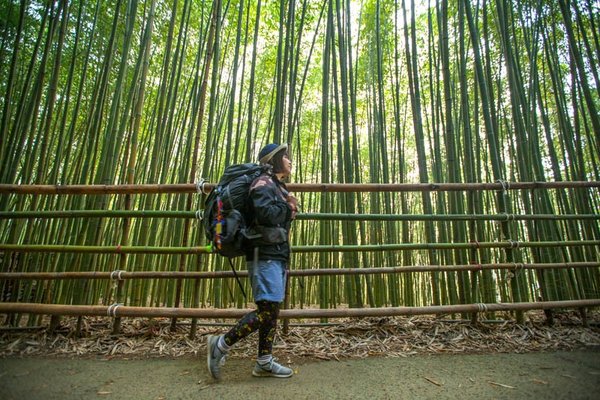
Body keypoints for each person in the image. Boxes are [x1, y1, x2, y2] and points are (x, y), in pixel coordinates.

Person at [207, 143, 298, 380]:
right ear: (275, 160)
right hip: (263, 252)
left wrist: (288, 206)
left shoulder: (276, 186)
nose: (289, 161)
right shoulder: (263, 182)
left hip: (275, 252)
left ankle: (264, 362)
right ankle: (221, 344)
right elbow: (265, 214)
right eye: (285, 157)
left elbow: (276, 217)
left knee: (271, 309)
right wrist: (288, 208)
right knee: (267, 309)